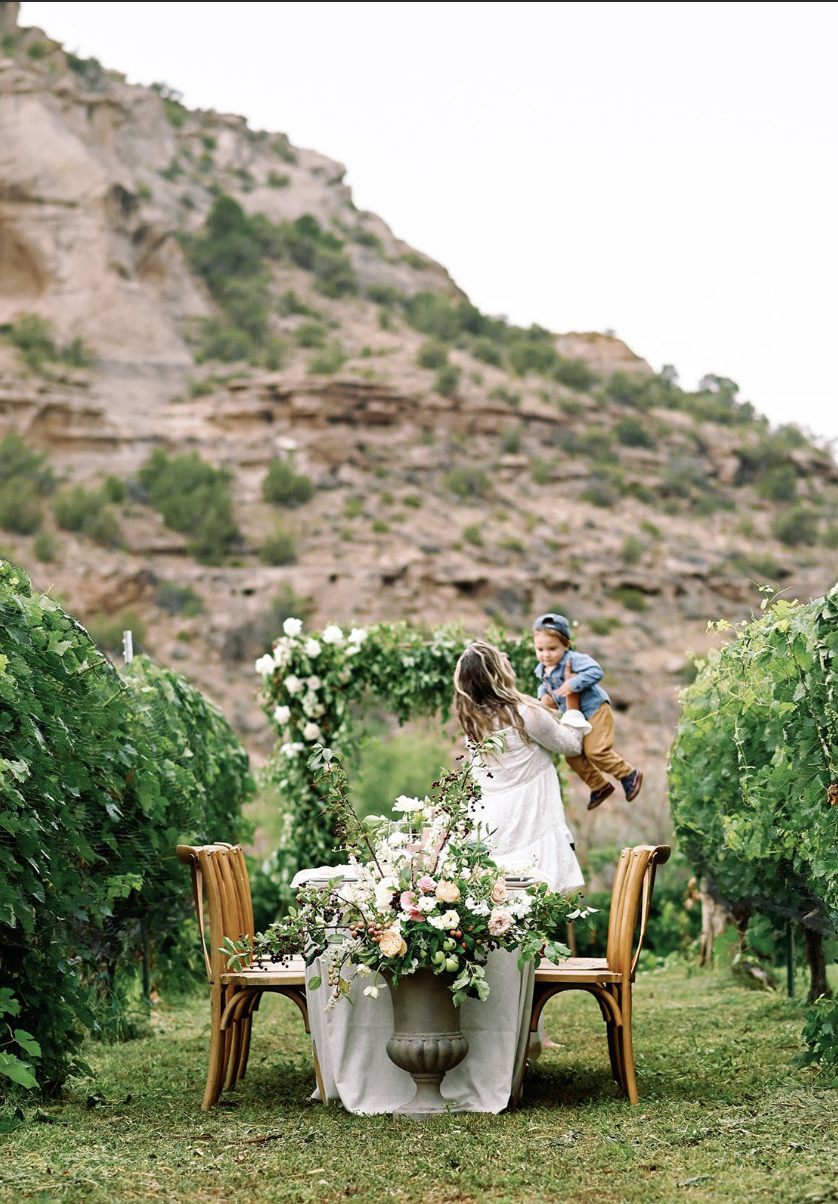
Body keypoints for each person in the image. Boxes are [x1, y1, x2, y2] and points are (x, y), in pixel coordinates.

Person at [452, 639, 590, 893]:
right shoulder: (524, 713)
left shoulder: (474, 723)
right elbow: (571, 744)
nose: (506, 655)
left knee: (504, 913)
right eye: (499, 656)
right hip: (528, 825)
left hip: (494, 829)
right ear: (495, 672)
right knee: (535, 906)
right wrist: (572, 700)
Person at [531, 612, 642, 811]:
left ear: (567, 645)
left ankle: (628, 774)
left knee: (595, 750)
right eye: (540, 649)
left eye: (552, 648)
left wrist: (573, 683)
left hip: (594, 710)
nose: (546, 654)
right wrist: (543, 698)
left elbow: (595, 670)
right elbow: (543, 685)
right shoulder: (542, 669)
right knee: (571, 754)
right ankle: (599, 786)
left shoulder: (573, 660)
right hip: (574, 717)